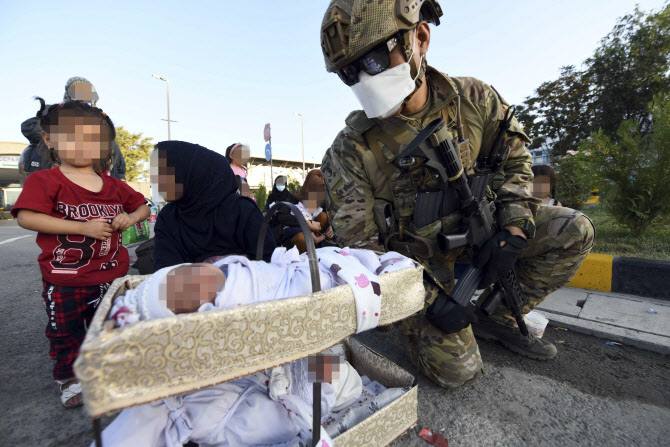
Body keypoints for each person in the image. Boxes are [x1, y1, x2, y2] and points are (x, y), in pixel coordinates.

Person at [319, 0, 595, 389]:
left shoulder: (475, 99)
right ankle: (413, 325)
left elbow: (518, 161)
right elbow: (361, 252)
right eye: (349, 71)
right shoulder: (349, 151)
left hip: (479, 236)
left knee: (575, 230)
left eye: (376, 60)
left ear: (420, 37)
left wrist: (514, 228)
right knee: (459, 372)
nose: (364, 77)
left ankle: (495, 317)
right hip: (415, 272)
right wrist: (428, 302)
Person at [11, 98, 149, 407]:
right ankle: (69, 377)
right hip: (65, 279)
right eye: (71, 136)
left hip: (113, 276)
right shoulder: (45, 180)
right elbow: (25, 217)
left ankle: (109, 367)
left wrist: (131, 217)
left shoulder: (113, 184)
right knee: (67, 331)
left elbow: (141, 206)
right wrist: (81, 227)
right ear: (49, 139)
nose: (82, 145)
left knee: (114, 325)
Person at [151, 141, 276, 271]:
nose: (156, 180)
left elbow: (269, 263)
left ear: (190, 171)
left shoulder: (241, 210)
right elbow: (164, 272)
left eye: (164, 173)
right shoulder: (168, 218)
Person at [19, 77, 127, 180]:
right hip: (49, 172)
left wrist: (119, 176)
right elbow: (28, 127)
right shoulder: (54, 111)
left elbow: (112, 147)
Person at [291, 170, 336, 253]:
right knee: (301, 237)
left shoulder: (321, 200)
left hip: (314, 231)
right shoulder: (296, 200)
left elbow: (330, 214)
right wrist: (310, 223)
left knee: (323, 215)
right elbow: (285, 218)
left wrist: (332, 226)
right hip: (296, 230)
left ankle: (319, 247)